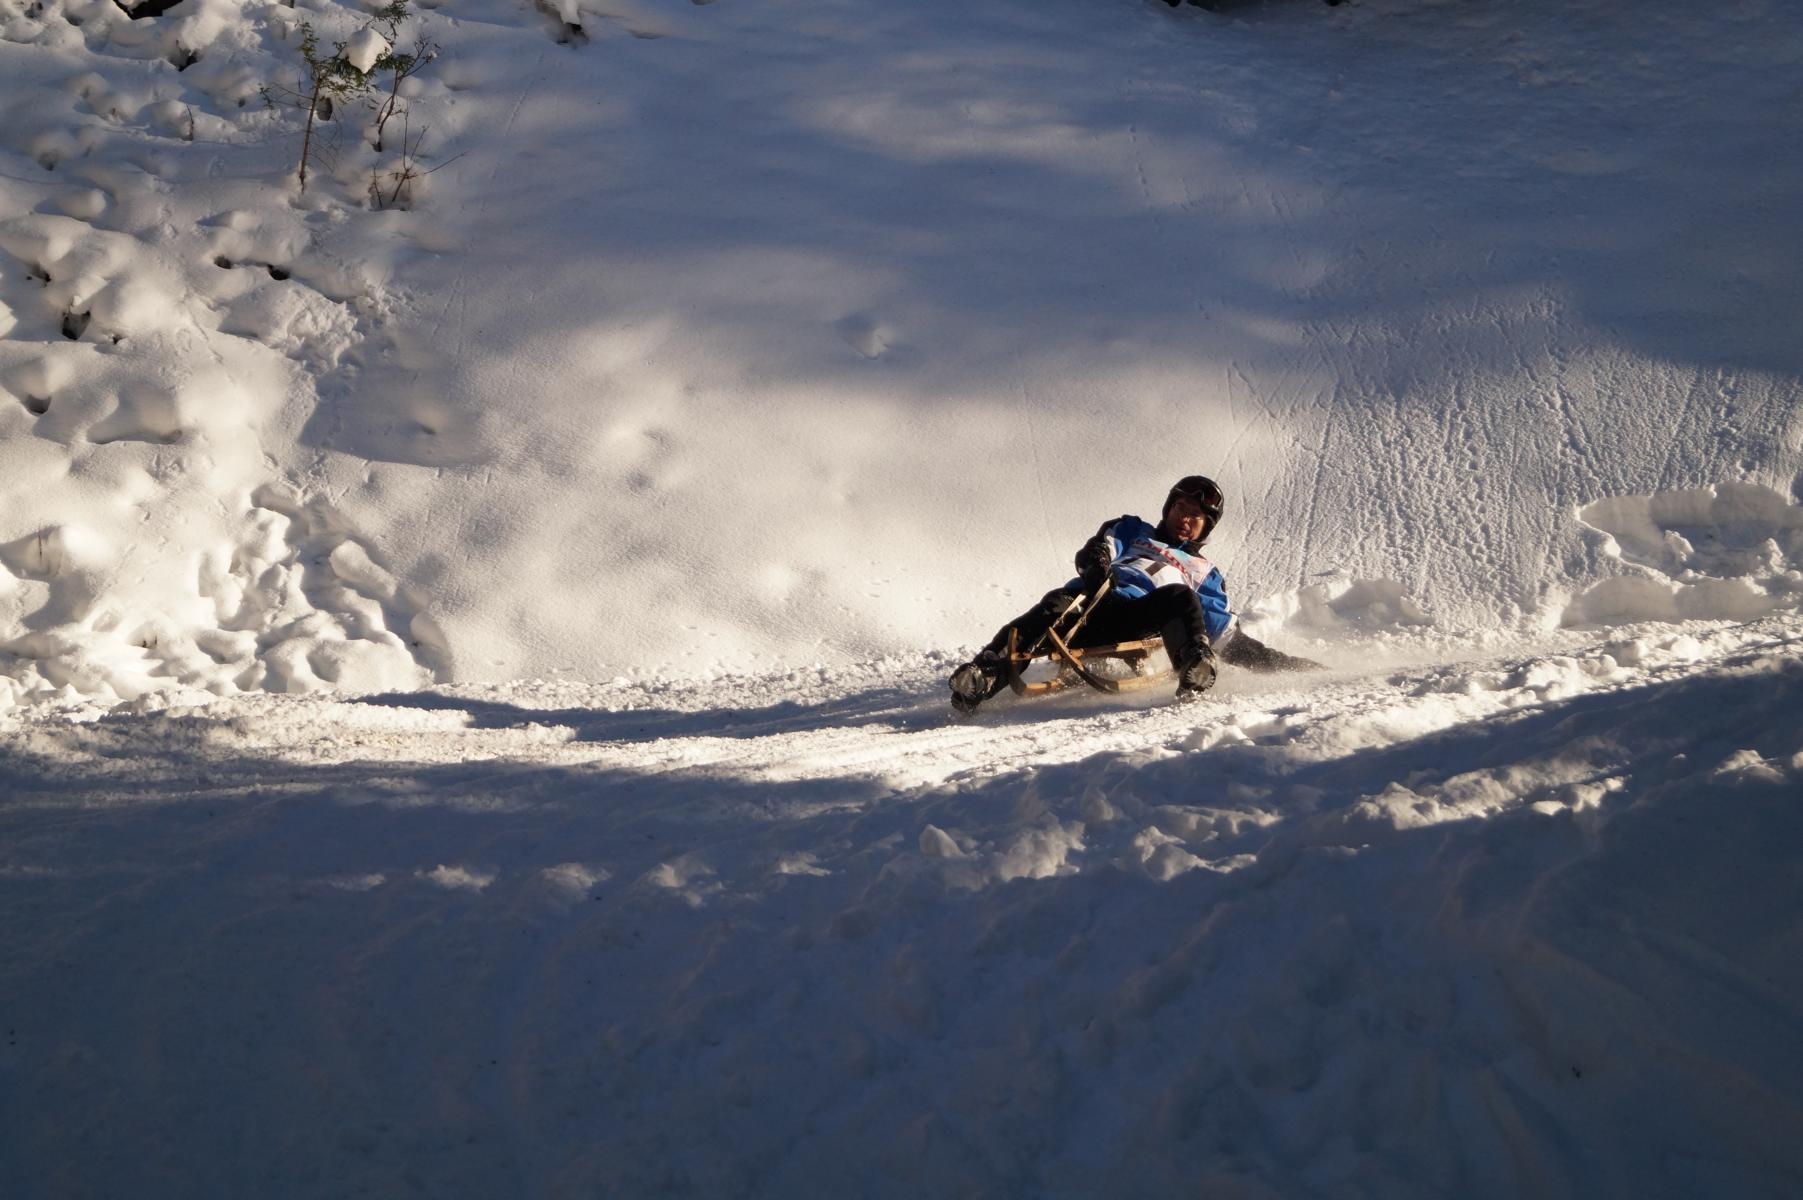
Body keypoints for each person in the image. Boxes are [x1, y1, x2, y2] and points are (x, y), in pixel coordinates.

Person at [948, 475, 1320, 714]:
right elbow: (1100, 547)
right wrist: (1097, 566)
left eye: (1195, 515)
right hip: (1089, 604)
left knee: (1178, 596)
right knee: (1053, 604)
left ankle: (1194, 666)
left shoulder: (1203, 571)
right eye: (1181, 507)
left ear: (1206, 527)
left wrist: (1291, 666)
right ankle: (984, 675)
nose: (1185, 518)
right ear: (1169, 508)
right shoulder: (1134, 530)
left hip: (1136, 617)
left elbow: (1227, 636)